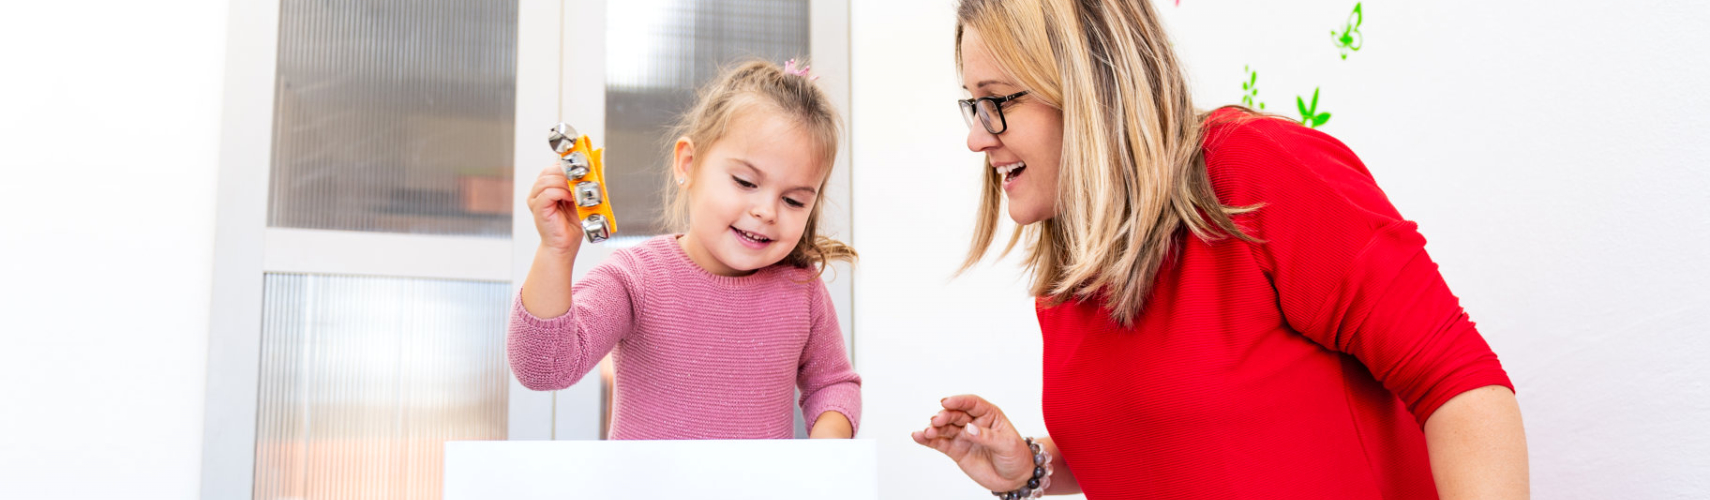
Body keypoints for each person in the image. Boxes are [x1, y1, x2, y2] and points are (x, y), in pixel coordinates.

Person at [910, 1, 1529, 498]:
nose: (975, 137)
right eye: (972, 104)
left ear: (1087, 86)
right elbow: (1169, 442)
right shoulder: (1073, 273)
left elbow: (1459, 386)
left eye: (996, 102)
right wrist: (1034, 468)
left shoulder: (1255, 173)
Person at [510, 59, 861, 440]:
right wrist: (556, 251)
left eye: (793, 201)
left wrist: (826, 455)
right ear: (688, 164)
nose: (766, 211)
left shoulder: (802, 289)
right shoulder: (637, 277)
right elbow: (543, 368)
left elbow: (833, 385)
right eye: (745, 182)